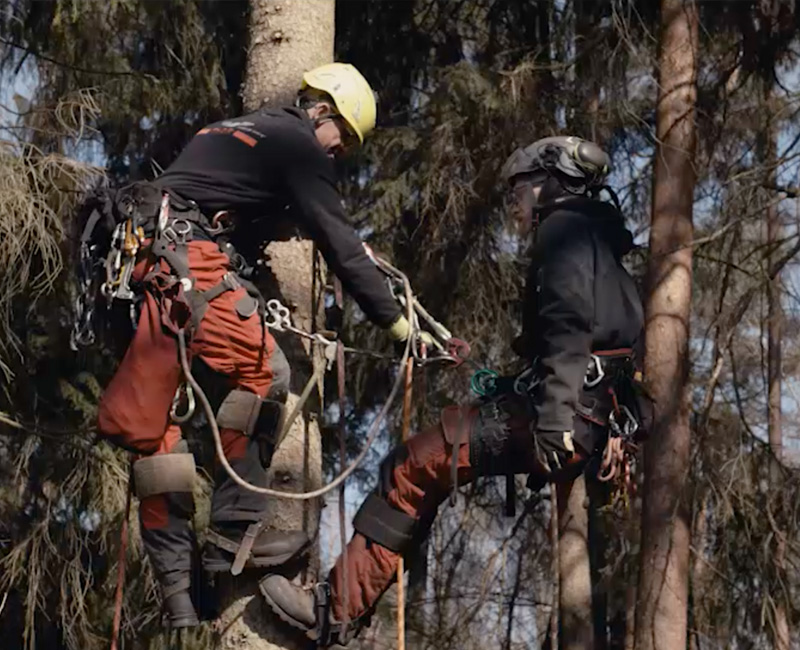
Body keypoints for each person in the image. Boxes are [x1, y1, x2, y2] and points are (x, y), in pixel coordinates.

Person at [259, 136, 651, 646]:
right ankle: (347, 609)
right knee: (430, 465)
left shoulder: (563, 231)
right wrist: (517, 387)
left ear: (552, 184)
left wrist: (555, 419)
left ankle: (330, 613)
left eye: (523, 190)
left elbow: (570, 324)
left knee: (411, 465)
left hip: (569, 419)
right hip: (596, 416)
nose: (517, 203)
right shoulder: (603, 240)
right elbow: (605, 342)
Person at [82, 63, 423, 628]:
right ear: (324, 110)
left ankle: (181, 600)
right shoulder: (298, 144)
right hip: (184, 263)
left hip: (138, 267)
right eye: (344, 140)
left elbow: (232, 202)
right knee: (266, 374)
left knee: (156, 432)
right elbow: (340, 243)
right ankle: (232, 541)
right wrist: (395, 323)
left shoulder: (228, 130)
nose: (339, 155)